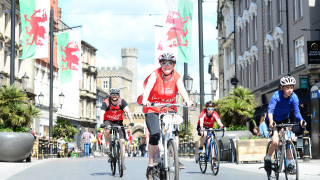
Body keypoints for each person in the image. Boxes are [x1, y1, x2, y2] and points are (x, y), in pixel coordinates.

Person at [141, 52, 193, 179]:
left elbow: (182, 90)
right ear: (160, 64)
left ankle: (175, 158)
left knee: (174, 132)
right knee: (155, 135)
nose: (167, 65)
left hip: (169, 108)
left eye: (170, 63)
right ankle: (151, 164)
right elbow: (147, 89)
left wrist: (187, 100)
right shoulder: (155, 75)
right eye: (164, 63)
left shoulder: (177, 77)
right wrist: (145, 99)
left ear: (173, 65)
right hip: (153, 108)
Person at [264, 75, 306, 175]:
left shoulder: (294, 97)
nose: (290, 90)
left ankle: (290, 164)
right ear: (282, 88)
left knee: (288, 140)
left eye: (291, 87)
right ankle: (268, 158)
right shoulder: (276, 95)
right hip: (272, 120)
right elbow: (270, 110)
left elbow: (296, 112)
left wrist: (301, 120)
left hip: (284, 120)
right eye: (287, 87)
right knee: (275, 142)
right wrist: (271, 121)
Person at [100, 88, 134, 170]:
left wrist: (131, 121)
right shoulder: (106, 102)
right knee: (107, 129)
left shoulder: (122, 101)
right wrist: (101, 123)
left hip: (118, 122)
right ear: (110, 95)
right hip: (108, 121)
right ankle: (108, 146)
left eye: (116, 94)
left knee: (122, 141)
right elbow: (102, 113)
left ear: (119, 95)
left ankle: (122, 163)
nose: (114, 96)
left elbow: (127, 111)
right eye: (113, 94)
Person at [197, 101, 225, 169]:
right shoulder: (203, 113)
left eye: (212, 109)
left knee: (211, 142)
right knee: (205, 134)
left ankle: (213, 163)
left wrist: (223, 126)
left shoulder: (215, 114)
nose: (210, 110)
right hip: (202, 126)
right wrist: (201, 127)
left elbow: (219, 122)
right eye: (209, 109)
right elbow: (201, 121)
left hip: (210, 128)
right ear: (206, 109)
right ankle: (201, 148)